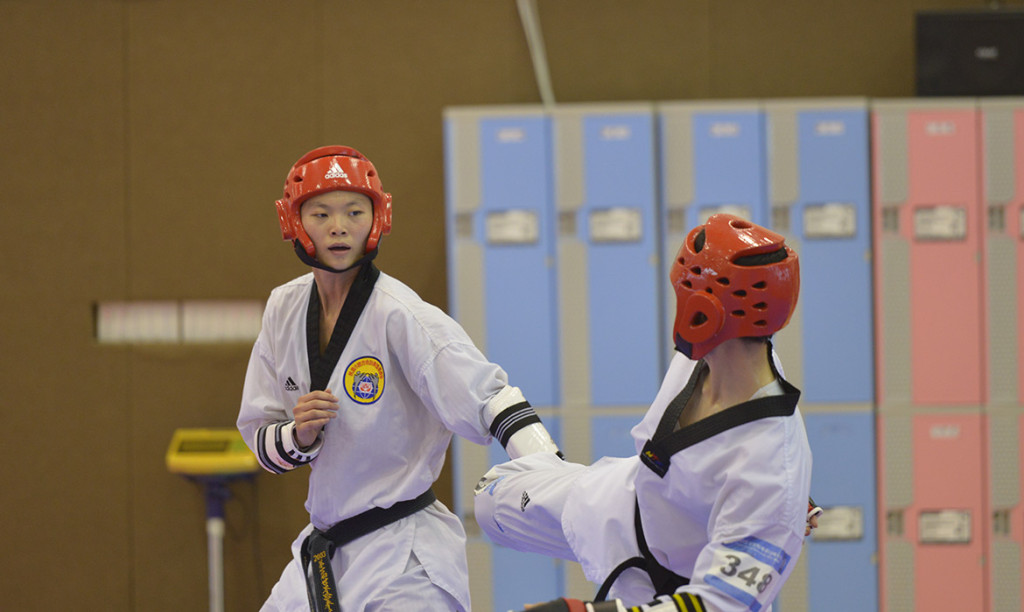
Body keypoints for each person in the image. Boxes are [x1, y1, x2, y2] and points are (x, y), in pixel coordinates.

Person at [236, 145, 561, 612]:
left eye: (355, 212)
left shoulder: (401, 314)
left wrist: (554, 477)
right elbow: (260, 437)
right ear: (292, 221)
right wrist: (298, 435)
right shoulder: (283, 309)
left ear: (379, 217)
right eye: (321, 213)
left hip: (404, 556)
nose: (338, 226)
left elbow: (492, 400)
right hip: (326, 550)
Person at [474, 214, 818, 612]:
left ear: (704, 312)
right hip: (622, 504)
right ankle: (549, 467)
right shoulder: (712, 356)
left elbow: (719, 605)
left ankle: (550, 473)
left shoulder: (771, 472)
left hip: (685, 588)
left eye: (684, 295)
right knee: (489, 501)